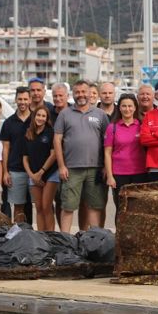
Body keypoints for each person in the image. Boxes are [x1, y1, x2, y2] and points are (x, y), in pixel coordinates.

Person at [54, 80, 110, 232]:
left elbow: (108, 143)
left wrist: (106, 166)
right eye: (77, 92)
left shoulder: (100, 114)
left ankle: (95, 241)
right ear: (73, 94)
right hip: (71, 169)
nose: (81, 95)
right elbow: (57, 140)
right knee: (68, 207)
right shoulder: (64, 114)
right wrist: (61, 166)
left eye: (83, 91)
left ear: (90, 93)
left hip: (96, 169)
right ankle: (65, 241)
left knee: (94, 207)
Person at [104, 93, 147, 207]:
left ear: (135, 108)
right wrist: (110, 176)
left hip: (140, 173)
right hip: (119, 174)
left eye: (130, 106)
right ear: (119, 108)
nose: (127, 109)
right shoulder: (112, 127)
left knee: (138, 209)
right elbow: (107, 153)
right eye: (124, 106)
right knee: (121, 209)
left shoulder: (142, 125)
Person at [22, 105, 59, 231]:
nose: (40, 118)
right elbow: (25, 158)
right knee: (38, 207)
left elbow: (54, 154)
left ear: (47, 118)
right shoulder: (28, 133)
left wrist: (41, 172)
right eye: (38, 115)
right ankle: (40, 236)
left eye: (43, 116)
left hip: (50, 173)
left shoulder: (51, 132)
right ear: (34, 116)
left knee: (46, 206)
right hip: (33, 174)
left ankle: (51, 237)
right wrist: (32, 175)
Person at [0, 86, 33, 224]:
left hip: (34, 171)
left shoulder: (37, 120)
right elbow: (5, 148)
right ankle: (19, 234)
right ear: (15, 100)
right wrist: (5, 172)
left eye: (25, 99)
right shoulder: (8, 123)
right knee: (18, 206)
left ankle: (33, 234)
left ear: (30, 100)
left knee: (37, 205)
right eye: (20, 99)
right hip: (15, 170)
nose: (22, 102)